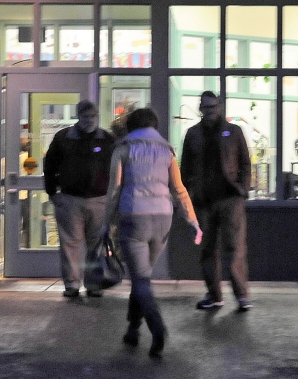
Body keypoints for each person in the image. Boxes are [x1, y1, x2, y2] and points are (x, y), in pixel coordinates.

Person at [104, 107, 201, 357]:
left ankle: (157, 328)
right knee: (142, 276)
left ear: (130, 127)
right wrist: (193, 221)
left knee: (140, 278)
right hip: (163, 218)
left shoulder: (123, 148)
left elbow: (114, 190)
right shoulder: (167, 151)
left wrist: (106, 222)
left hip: (134, 215)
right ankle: (133, 328)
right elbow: (178, 189)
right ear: (155, 126)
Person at [180, 91, 253, 311]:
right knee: (208, 250)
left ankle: (241, 295)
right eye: (206, 107)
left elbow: (245, 163)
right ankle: (214, 295)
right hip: (204, 200)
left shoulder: (233, 131)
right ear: (200, 108)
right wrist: (189, 194)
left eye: (213, 107)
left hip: (230, 198)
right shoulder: (193, 134)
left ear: (219, 107)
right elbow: (185, 168)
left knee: (235, 248)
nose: (210, 111)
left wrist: (242, 189)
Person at [43, 100, 117, 297]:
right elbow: (49, 166)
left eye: (93, 116)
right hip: (71, 197)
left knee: (93, 244)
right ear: (78, 116)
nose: (89, 120)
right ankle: (73, 284)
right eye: (86, 116)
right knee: (72, 244)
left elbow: (116, 169)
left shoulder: (106, 139)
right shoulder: (65, 138)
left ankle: (89, 284)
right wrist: (52, 192)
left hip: (96, 198)